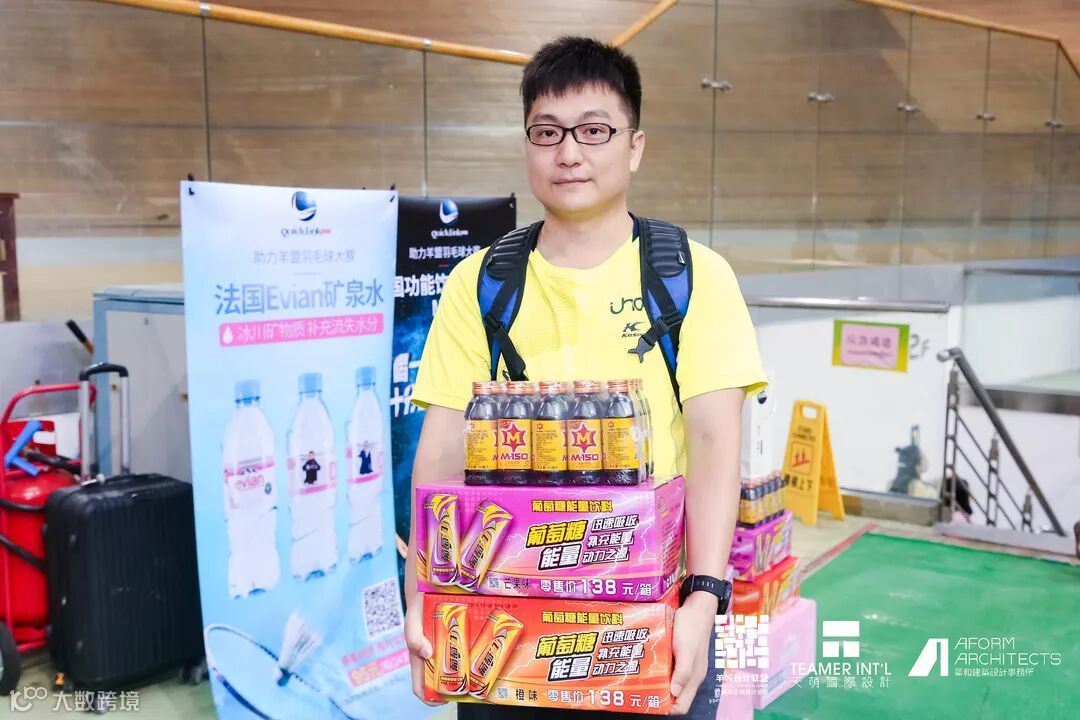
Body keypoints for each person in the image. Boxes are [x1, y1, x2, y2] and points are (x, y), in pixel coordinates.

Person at [405, 36, 767, 718]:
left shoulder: (693, 276)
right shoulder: (479, 284)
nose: (568, 152)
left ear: (634, 146)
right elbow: (442, 451)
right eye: (547, 132)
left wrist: (704, 597)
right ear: (527, 145)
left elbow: (715, 443)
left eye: (593, 130)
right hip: (506, 618)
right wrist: (423, 596)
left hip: (653, 619)